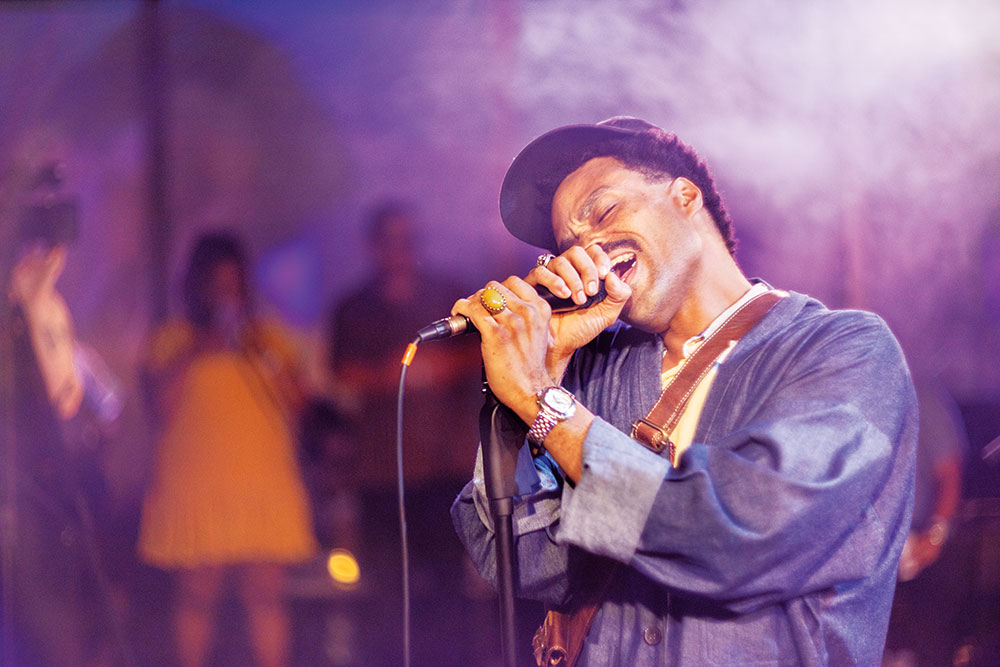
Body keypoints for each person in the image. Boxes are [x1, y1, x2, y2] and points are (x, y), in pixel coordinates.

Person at [450, 117, 917, 666]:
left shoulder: (841, 351)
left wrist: (542, 401)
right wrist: (536, 379)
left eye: (604, 212)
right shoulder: (593, 373)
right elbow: (512, 556)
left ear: (685, 196)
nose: (590, 250)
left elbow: (738, 535)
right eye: (569, 245)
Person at [137, 231, 316, 667]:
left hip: (262, 483)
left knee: (266, 595)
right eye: (215, 286)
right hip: (197, 487)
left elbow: (299, 401)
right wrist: (204, 345)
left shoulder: (270, 338)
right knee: (197, 597)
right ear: (197, 287)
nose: (225, 296)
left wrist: (255, 349)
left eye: (232, 285)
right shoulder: (170, 341)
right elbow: (159, 407)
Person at [327, 202, 483, 665]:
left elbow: (484, 349)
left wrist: (440, 367)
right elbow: (342, 372)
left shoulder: (452, 294)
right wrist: (400, 370)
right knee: (385, 591)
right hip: (381, 473)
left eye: (407, 239)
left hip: (445, 470)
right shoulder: (354, 308)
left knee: (449, 586)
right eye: (390, 240)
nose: (400, 249)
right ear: (373, 246)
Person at [2, 199, 127, 666]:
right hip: (20, 475)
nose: (44, 254)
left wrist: (93, 431)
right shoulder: (19, 303)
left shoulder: (49, 308)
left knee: (65, 605)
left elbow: (90, 396)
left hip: (55, 480)